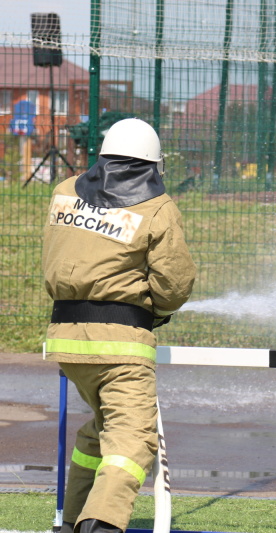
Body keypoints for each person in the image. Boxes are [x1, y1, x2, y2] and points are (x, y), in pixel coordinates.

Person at [42, 118, 196, 533]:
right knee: (132, 439)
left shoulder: (63, 194)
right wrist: (155, 308)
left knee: (101, 432)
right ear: (152, 166)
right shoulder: (158, 208)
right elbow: (175, 285)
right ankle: (102, 524)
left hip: (66, 341)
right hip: (120, 348)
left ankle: (72, 520)